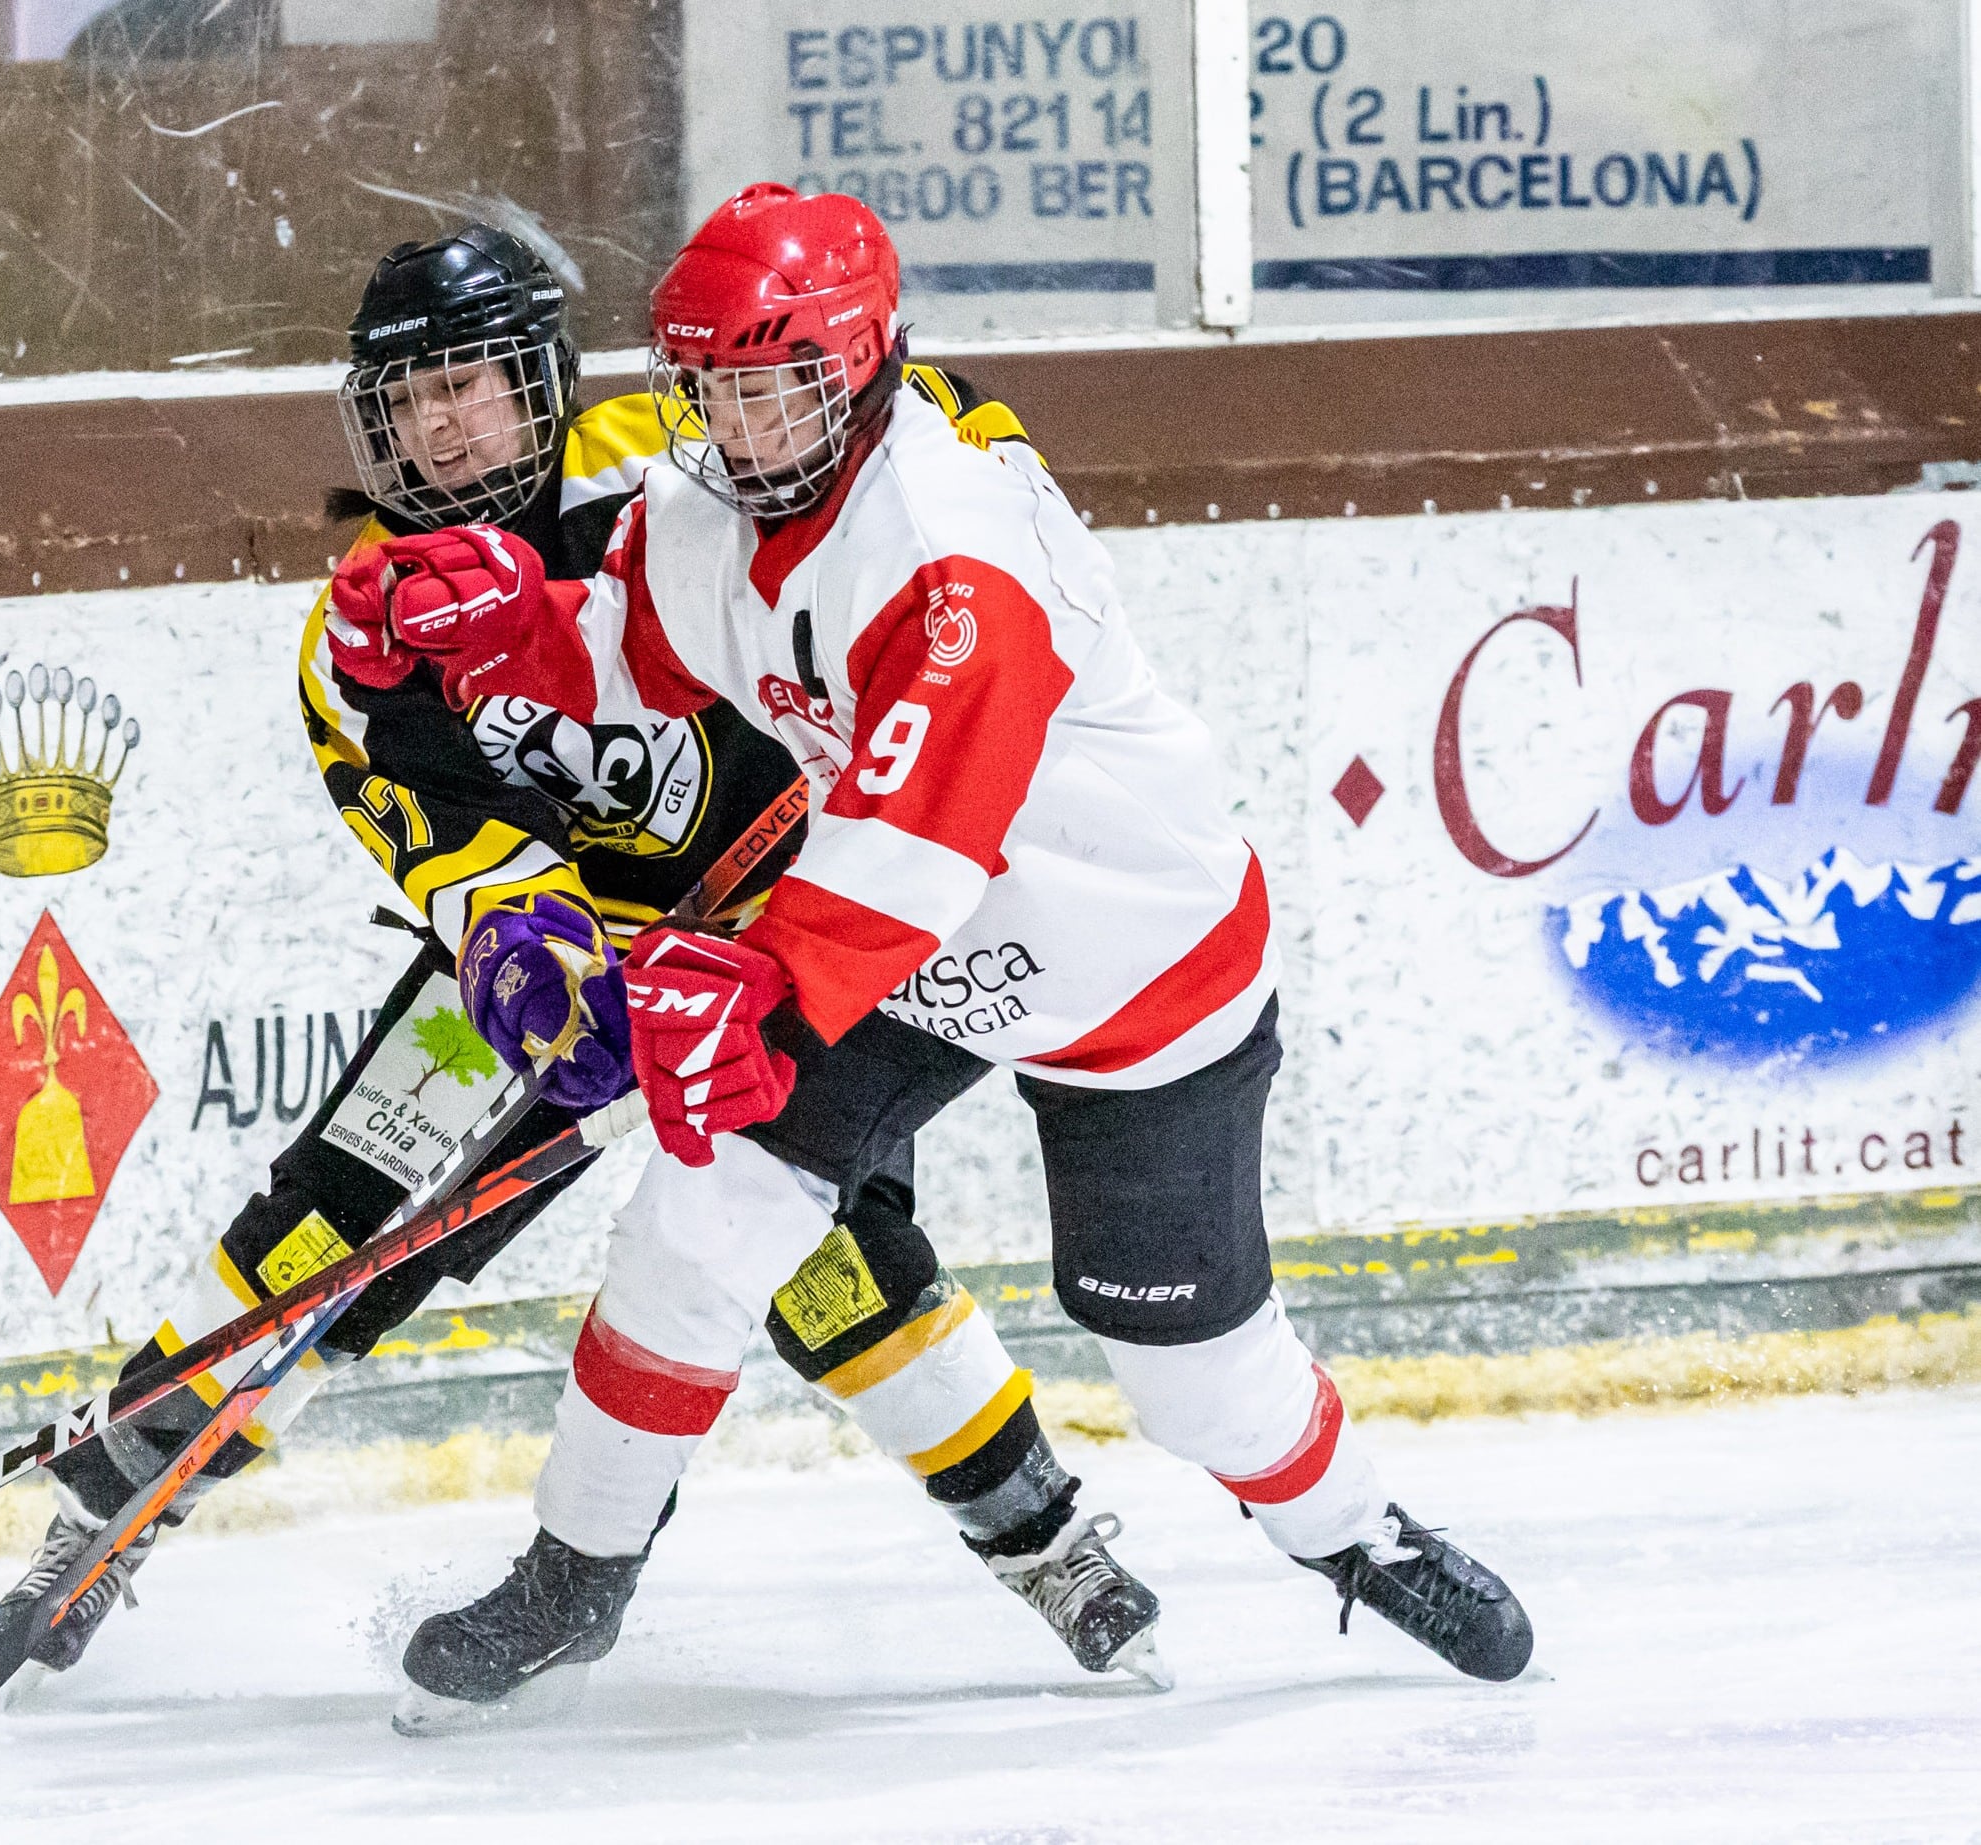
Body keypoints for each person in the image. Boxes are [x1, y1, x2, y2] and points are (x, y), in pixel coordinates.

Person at [329, 186, 1536, 1722]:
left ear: (863, 362)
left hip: (1127, 968)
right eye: (714, 389)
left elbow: (924, 834)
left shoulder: (954, 550)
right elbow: (631, 645)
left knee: (1190, 1372)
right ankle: (577, 1576)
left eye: (781, 387)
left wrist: (762, 984)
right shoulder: (710, 510)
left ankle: (1360, 1536)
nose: (748, 427)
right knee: (700, 1219)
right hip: (902, 956)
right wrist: (498, 634)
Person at [0, 225, 1161, 1692]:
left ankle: (1050, 1542)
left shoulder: (676, 463)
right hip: (554, 972)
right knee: (327, 1233)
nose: (444, 426)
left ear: (541, 379)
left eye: (472, 384)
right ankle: (105, 1521)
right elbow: (450, 848)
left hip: (763, 945)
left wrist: (953, 435)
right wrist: (538, 968)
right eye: (410, 403)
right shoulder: (367, 618)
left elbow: (898, 440)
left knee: (829, 1260)